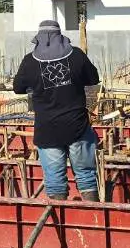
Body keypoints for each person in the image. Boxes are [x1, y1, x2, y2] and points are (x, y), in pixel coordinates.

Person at [12, 19, 102, 201]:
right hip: (77, 127)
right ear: (60, 36)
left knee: (54, 180)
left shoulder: (30, 61)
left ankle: (59, 215)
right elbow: (93, 78)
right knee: (86, 176)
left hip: (48, 129)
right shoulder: (76, 55)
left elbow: (18, 88)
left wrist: (38, 85)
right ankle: (93, 214)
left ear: (39, 37)